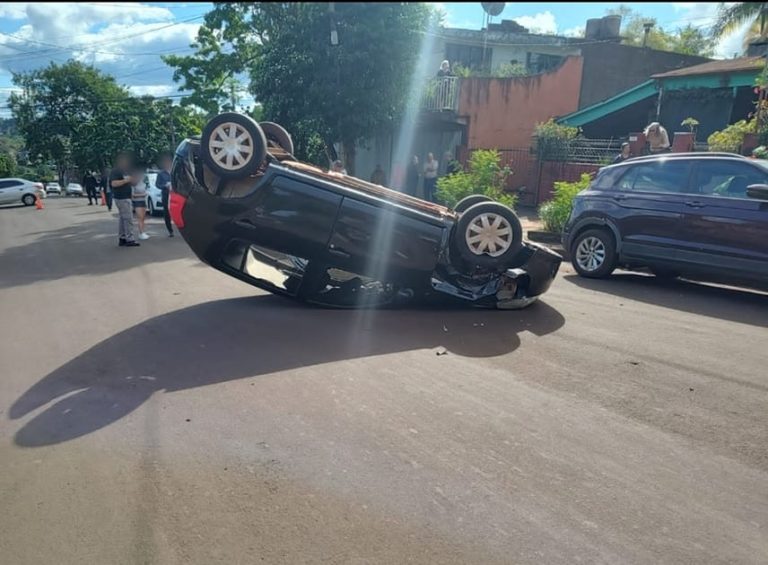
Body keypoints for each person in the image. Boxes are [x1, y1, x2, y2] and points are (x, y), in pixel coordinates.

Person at [109, 153, 140, 247]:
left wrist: (134, 180)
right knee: (128, 218)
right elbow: (113, 183)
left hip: (126, 196)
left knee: (123, 219)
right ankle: (130, 239)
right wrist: (126, 180)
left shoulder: (127, 171)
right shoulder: (116, 171)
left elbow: (132, 183)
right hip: (121, 197)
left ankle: (122, 238)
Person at [156, 153, 174, 237]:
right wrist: (165, 185)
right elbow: (157, 184)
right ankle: (170, 230)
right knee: (167, 213)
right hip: (166, 195)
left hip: (176, 195)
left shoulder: (174, 171)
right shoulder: (161, 174)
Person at [131, 168, 150, 240]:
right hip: (137, 201)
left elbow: (146, 190)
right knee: (140, 217)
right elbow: (132, 195)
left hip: (143, 201)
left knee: (143, 218)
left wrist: (145, 194)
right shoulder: (133, 184)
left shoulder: (143, 183)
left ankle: (143, 232)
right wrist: (142, 194)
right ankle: (141, 232)